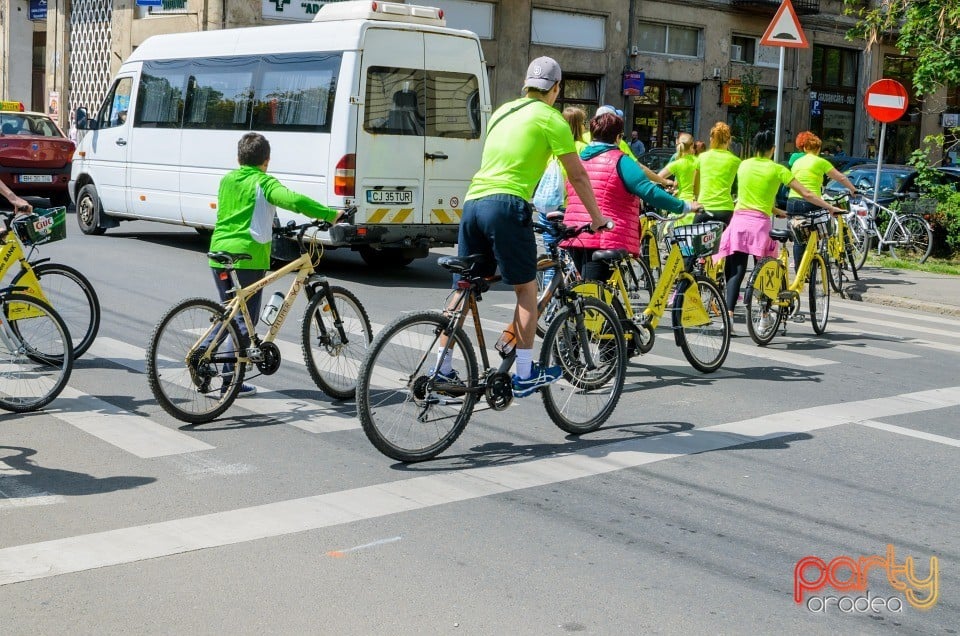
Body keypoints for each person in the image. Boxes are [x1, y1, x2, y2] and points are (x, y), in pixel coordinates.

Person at [452, 56, 611, 398]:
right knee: (525, 290)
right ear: (556, 89)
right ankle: (525, 373)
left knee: (464, 287)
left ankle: (443, 366)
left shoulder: (502, 112)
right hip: (508, 204)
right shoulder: (550, 118)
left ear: (526, 85)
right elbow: (578, 174)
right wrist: (597, 219)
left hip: (473, 202)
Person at [209, 132, 342, 396]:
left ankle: (212, 362)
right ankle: (223, 373)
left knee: (231, 311)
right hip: (247, 257)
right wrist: (330, 214)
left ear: (239, 157)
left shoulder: (227, 180)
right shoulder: (264, 182)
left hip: (218, 253)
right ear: (266, 161)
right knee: (244, 318)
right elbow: (293, 200)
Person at [715, 130, 844, 335]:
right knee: (767, 273)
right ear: (772, 149)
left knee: (736, 272)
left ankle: (728, 318)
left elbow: (748, 195)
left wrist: (777, 211)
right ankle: (764, 318)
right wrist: (829, 207)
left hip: (739, 222)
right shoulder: (777, 169)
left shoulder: (743, 165)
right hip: (759, 226)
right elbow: (806, 193)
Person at [560, 112, 699, 282]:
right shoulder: (620, 161)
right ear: (618, 137)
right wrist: (684, 206)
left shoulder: (579, 159)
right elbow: (649, 192)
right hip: (604, 235)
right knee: (593, 296)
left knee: (585, 288)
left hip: (575, 232)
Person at [787, 131, 857, 270]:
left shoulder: (796, 162)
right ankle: (813, 263)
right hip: (811, 202)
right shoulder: (820, 161)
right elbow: (841, 178)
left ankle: (799, 270)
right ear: (818, 149)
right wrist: (852, 189)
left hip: (792, 201)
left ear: (805, 148)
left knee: (798, 237)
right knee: (817, 231)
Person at [536, 106, 588, 288]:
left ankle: (548, 300)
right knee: (571, 258)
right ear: (578, 125)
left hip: (548, 206)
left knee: (552, 256)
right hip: (569, 208)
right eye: (583, 123)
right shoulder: (582, 149)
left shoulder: (551, 149)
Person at [692, 121, 740, 226]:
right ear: (729, 140)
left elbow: (695, 185)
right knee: (726, 242)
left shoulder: (702, 157)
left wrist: (696, 198)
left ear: (711, 139)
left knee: (693, 240)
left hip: (703, 209)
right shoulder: (735, 161)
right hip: (726, 210)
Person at [658, 133, 698, 225]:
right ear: (692, 145)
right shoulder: (698, 161)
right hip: (696, 205)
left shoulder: (676, 163)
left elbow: (658, 177)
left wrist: (665, 183)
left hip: (681, 205)